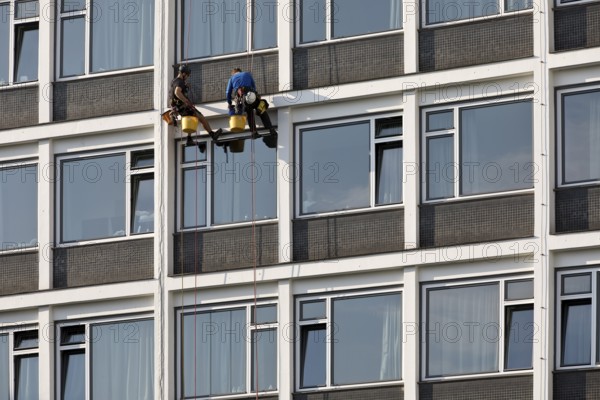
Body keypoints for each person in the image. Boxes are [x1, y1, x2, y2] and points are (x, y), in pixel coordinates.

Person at [169, 64, 222, 146]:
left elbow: (174, 92)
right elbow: (177, 92)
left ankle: (189, 139)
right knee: (201, 117)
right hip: (183, 106)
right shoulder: (180, 81)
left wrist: (185, 86)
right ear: (183, 74)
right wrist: (186, 101)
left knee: (191, 118)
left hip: (178, 107)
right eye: (187, 75)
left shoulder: (174, 81)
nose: (187, 77)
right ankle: (212, 134)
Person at [225, 68, 277, 148]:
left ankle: (254, 132)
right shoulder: (247, 74)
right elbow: (254, 86)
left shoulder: (232, 78)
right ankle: (271, 129)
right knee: (262, 108)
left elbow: (228, 92)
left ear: (233, 73)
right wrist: (256, 96)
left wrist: (229, 103)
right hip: (252, 96)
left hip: (243, 98)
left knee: (249, 112)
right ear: (240, 72)